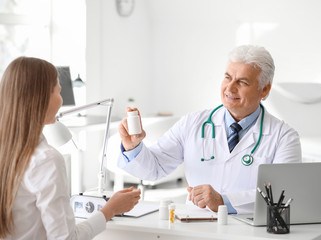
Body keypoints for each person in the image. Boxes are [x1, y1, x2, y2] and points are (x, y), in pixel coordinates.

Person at [117, 45, 301, 214]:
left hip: (249, 232)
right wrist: (133, 147)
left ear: (264, 89)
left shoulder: (284, 137)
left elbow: (281, 196)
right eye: (228, 77)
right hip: (196, 227)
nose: (230, 87)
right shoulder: (193, 123)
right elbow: (154, 168)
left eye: (242, 82)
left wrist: (224, 201)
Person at [0, 57, 141, 239]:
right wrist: (110, 209)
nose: (61, 100)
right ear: (41, 99)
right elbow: (66, 238)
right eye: (58, 92)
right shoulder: (46, 159)